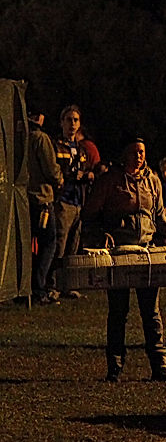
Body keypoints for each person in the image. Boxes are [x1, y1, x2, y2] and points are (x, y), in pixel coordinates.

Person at [84, 135, 166, 382]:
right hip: (119, 254)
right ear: (125, 154)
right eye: (135, 152)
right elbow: (89, 215)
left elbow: (158, 214)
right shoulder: (109, 181)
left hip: (146, 252)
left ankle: (159, 367)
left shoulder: (152, 180)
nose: (139, 156)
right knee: (118, 311)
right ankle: (114, 367)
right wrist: (101, 234)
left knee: (151, 311)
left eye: (142, 152)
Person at [52, 104, 101, 300]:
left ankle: (68, 285)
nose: (72, 124)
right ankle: (53, 285)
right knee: (59, 245)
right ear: (61, 123)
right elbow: (56, 171)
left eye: (76, 120)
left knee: (73, 247)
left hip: (78, 201)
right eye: (69, 120)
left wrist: (89, 175)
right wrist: (74, 175)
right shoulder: (57, 146)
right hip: (64, 200)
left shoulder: (81, 149)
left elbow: (87, 170)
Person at [26, 113, 64, 305]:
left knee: (29, 244)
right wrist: (59, 179)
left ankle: (25, 287)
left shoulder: (20, 137)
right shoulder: (40, 138)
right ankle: (39, 288)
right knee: (48, 242)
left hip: (25, 198)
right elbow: (50, 168)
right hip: (41, 198)